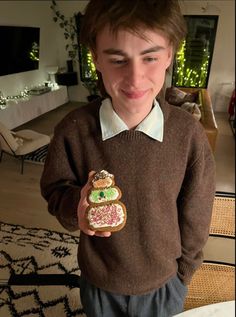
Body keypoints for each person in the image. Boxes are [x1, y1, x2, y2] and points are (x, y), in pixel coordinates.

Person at [40, 0, 216, 316]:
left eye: (150, 57)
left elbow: (196, 213)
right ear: (96, 58)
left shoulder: (188, 135)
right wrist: (74, 208)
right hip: (99, 285)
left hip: (164, 287)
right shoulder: (73, 130)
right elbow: (56, 191)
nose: (135, 79)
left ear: (170, 54)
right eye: (118, 59)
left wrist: (183, 275)